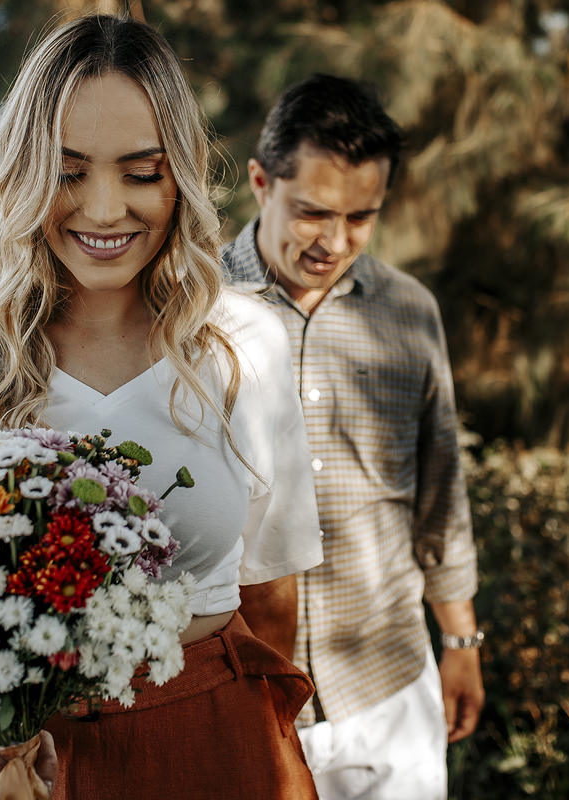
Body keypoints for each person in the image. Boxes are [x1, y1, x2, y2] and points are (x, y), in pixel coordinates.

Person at [0, 16, 324, 800]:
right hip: (17, 764)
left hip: (215, 743)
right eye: (68, 173)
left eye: (142, 172)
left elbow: (270, 590)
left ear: (184, 176)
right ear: (21, 174)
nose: (104, 211)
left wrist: (280, 753)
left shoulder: (246, 343)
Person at [223, 74, 485, 800]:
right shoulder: (188, 311)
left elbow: (441, 493)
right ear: (259, 182)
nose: (334, 241)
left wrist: (460, 641)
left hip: (390, 689)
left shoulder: (410, 312)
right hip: (240, 703)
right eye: (312, 212)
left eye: (362, 217)